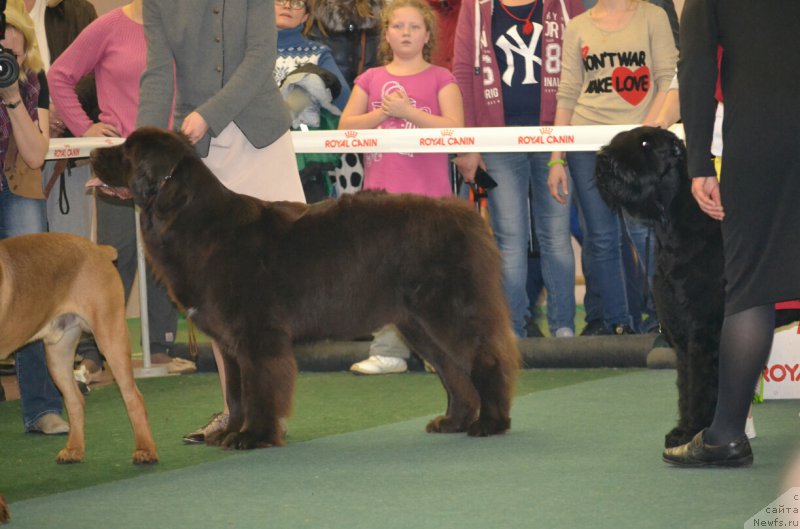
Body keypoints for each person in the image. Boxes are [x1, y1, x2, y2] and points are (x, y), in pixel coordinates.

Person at [137, 0, 307, 444]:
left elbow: (258, 60)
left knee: (281, 281)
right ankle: (236, 412)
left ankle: (268, 411)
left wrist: (209, 114)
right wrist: (137, 154)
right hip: (202, 154)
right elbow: (157, 75)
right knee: (217, 292)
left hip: (260, 136)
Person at [663, 0, 800, 467]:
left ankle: (725, 436)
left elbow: (697, 65)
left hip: (764, 138)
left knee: (750, 288)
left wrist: (699, 160)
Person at [46, 0, 185, 382]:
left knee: (166, 252)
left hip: (170, 163)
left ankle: (160, 347)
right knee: (115, 255)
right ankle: (94, 354)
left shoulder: (182, 25)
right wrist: (84, 127)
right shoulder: (108, 26)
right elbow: (59, 75)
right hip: (120, 165)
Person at [339, 0, 463, 375]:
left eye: (413, 27)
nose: (405, 33)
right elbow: (346, 128)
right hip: (380, 201)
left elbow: (456, 129)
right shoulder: (370, 78)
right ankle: (388, 350)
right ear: (386, 34)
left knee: (433, 276)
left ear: (428, 34)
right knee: (383, 276)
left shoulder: (442, 77)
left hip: (429, 200)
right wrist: (382, 113)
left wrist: (409, 113)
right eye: (397, 26)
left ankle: (439, 350)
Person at [453, 0, 585, 338]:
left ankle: (563, 326)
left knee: (556, 236)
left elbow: (584, 60)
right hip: (498, 140)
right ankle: (511, 331)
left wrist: (567, 136)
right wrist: (467, 144)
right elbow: (463, 72)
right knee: (509, 239)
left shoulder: (565, 4)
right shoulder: (477, 6)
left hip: (554, 136)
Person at [547, 0, 677, 335]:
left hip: (638, 148)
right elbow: (567, 94)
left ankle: (664, 318)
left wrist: (645, 137)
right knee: (600, 237)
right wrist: (556, 157)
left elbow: (668, 80)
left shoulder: (653, 16)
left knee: (643, 232)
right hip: (586, 145)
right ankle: (617, 323)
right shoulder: (577, 26)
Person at [0, 0, 67, 434]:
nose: (4, 54)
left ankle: (40, 408)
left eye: (9, 50)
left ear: (24, 50)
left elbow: (36, 153)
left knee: (32, 295)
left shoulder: (31, 83)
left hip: (17, 187)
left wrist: (10, 97)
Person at [275, 0, 351, 202]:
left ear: (307, 16)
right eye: (280, 0)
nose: (288, 6)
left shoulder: (318, 54)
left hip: (307, 163)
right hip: (256, 154)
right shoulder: (248, 52)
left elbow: (344, 100)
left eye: (298, 2)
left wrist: (307, 92)